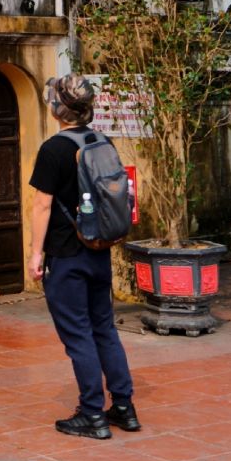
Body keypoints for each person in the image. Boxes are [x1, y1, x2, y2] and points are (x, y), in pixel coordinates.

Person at [28, 74, 140, 439]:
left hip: (66, 255)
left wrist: (34, 255)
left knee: (78, 335)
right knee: (104, 328)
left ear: (58, 109)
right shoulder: (101, 140)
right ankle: (123, 407)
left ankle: (92, 414)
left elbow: (42, 205)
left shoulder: (53, 149)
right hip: (98, 250)